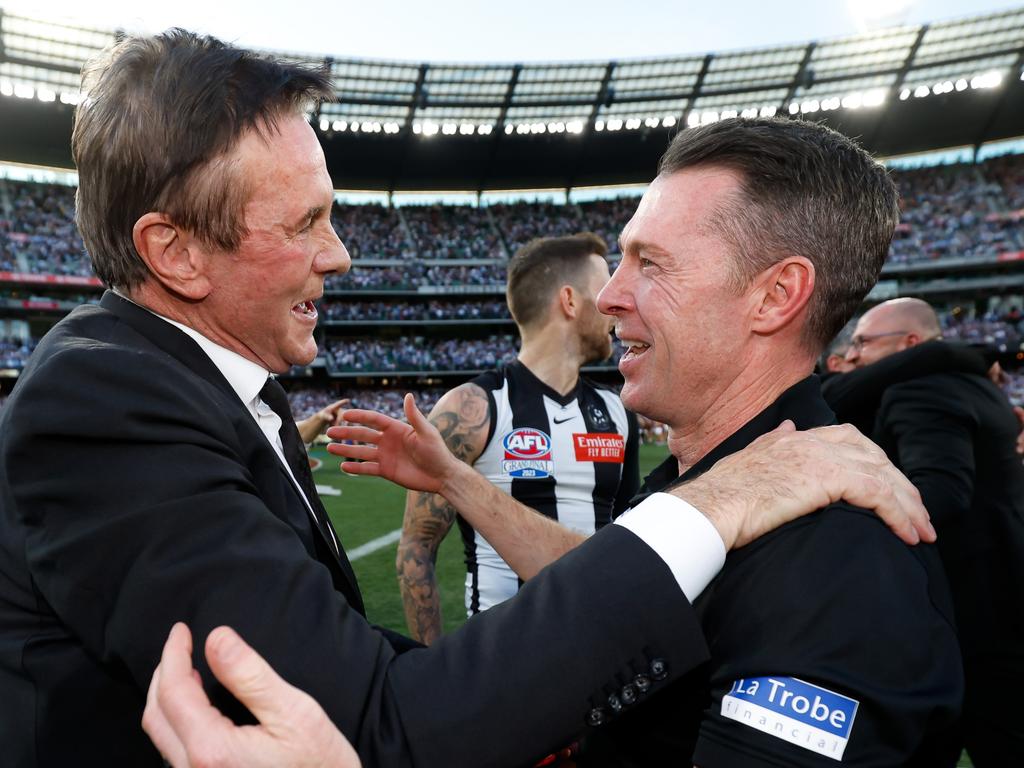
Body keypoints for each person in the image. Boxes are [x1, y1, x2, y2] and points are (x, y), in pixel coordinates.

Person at [0, 32, 930, 768]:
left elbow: (354, 681)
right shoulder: (108, 397)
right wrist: (720, 501)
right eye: (307, 221)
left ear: (777, 296)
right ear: (176, 253)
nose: (342, 255)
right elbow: (367, 722)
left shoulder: (222, 388)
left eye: (651, 263)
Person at [327, 118, 964, 766]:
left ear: (775, 296)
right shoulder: (694, 488)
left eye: (650, 264)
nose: (607, 297)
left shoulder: (838, 567)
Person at [398, 232, 639, 643]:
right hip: (503, 659)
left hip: (604, 650)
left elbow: (628, 535)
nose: (615, 306)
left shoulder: (619, 410)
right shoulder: (473, 409)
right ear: (569, 301)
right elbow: (417, 546)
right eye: (604, 289)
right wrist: (433, 663)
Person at [832, 297, 1024, 766]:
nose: (853, 355)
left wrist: (848, 529)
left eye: (863, 342)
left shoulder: (919, 390)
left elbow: (939, 494)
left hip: (961, 616)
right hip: (1000, 604)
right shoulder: (978, 387)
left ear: (910, 344)